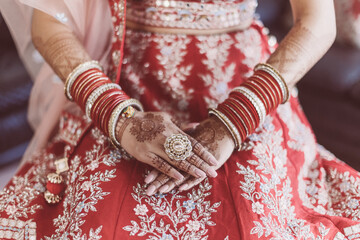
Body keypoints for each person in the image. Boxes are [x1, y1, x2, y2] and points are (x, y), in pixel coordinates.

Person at [0, 0, 357, 239]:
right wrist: (119, 119)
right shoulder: (122, 113)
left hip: (247, 88)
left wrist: (237, 117)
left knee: (264, 217)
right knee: (97, 215)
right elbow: (48, 25)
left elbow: (318, 22)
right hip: (128, 86)